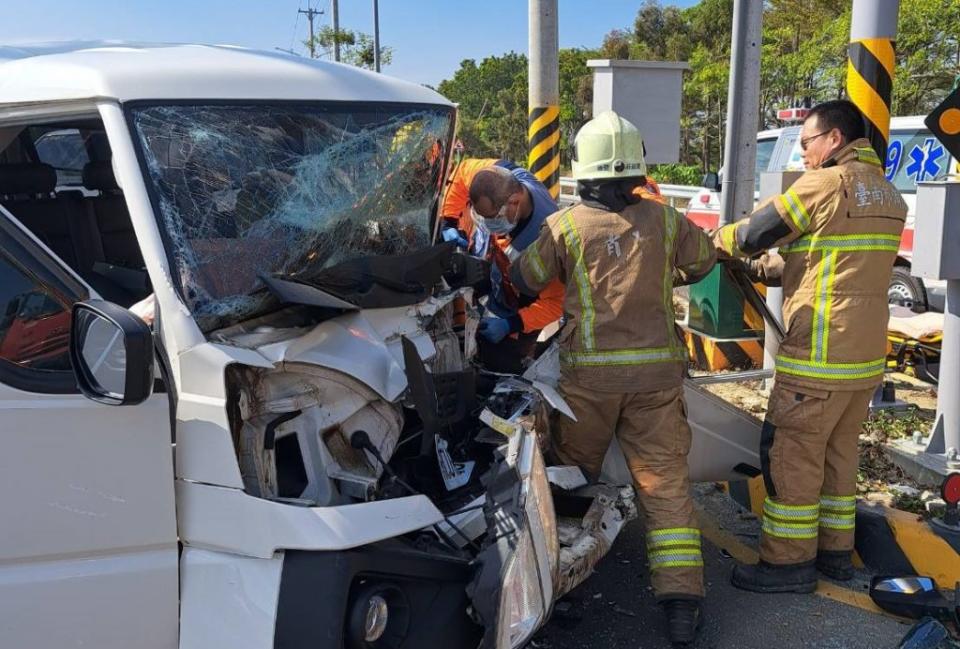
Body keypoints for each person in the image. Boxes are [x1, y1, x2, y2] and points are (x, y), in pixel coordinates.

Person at [511, 111, 716, 646]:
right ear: (635, 170)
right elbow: (704, 261)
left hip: (586, 387)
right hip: (655, 382)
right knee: (666, 489)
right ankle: (681, 605)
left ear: (586, 171)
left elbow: (526, 279)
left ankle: (566, 589)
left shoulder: (565, 226)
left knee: (571, 480)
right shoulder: (667, 220)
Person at [711, 100, 907, 593]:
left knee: (791, 459)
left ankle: (786, 564)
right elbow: (830, 262)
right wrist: (762, 270)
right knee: (839, 460)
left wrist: (714, 243)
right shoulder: (887, 192)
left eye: (806, 144)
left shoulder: (825, 184)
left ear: (834, 139)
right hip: (861, 362)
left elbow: (755, 232)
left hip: (818, 359)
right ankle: (834, 555)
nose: (802, 156)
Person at [441, 158, 564, 373]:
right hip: (501, 275)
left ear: (515, 202)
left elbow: (557, 302)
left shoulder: (545, 244)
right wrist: (448, 220)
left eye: (492, 218)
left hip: (525, 302)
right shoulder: (499, 175)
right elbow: (461, 173)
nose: (488, 225)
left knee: (504, 363)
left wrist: (513, 323)